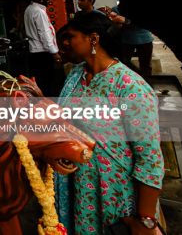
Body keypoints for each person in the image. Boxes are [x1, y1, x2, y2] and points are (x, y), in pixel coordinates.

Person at [56, 12, 164, 235]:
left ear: (93, 39)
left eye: (70, 36)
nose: (65, 43)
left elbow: (150, 157)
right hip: (82, 186)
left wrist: (145, 220)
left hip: (115, 192)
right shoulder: (76, 75)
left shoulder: (129, 86)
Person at [24, 0, 61, 95]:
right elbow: (45, 34)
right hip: (43, 54)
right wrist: (54, 53)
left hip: (35, 54)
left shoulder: (29, 9)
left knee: (40, 84)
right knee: (48, 84)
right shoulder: (39, 12)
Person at [102, 5, 154, 78]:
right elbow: (117, 25)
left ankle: (147, 84)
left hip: (144, 39)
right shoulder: (116, 9)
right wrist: (116, 21)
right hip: (126, 40)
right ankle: (129, 83)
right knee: (124, 64)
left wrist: (125, 21)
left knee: (145, 65)